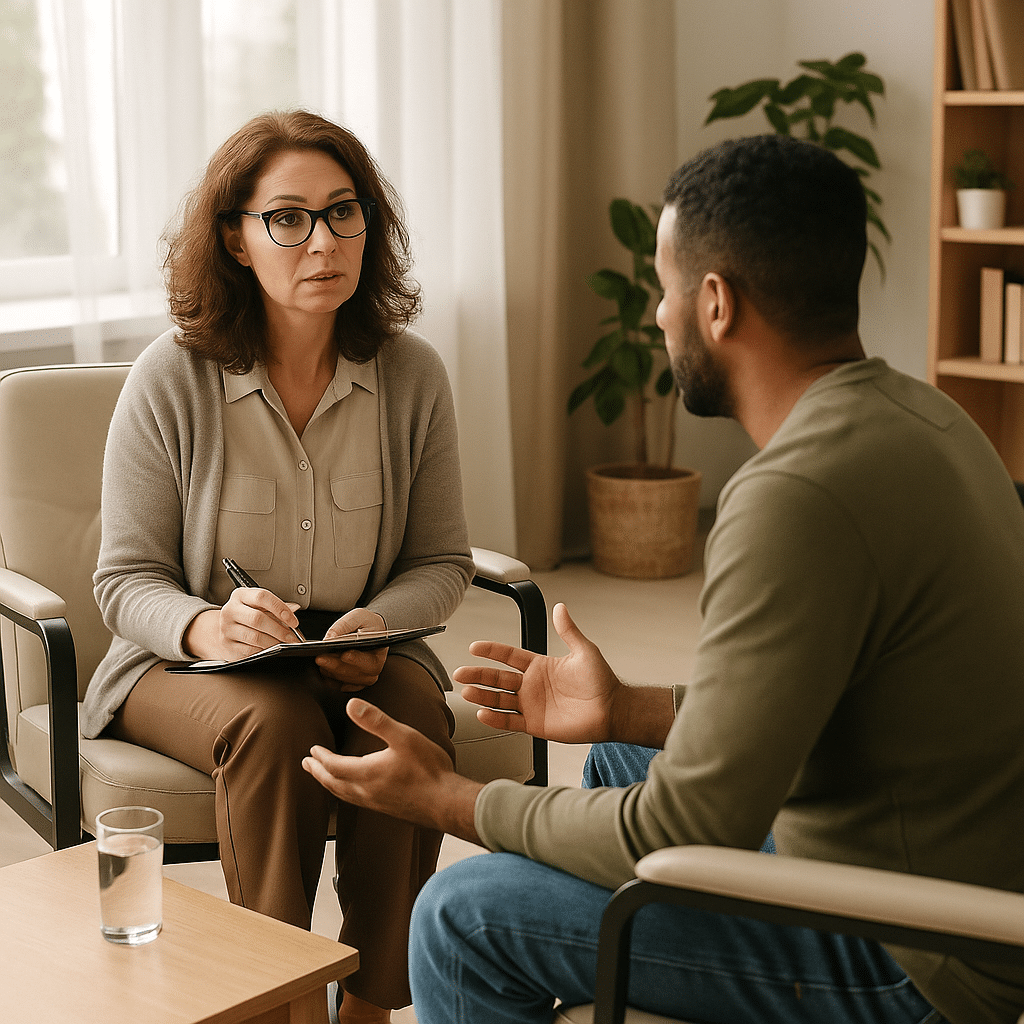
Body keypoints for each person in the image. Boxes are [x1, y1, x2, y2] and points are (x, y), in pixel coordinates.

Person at [302, 134, 1024, 1024]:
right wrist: (625, 710)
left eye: (664, 287)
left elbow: (683, 830)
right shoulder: (930, 417)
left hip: (913, 953)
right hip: (940, 863)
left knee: (461, 914)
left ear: (715, 303)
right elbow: (836, 700)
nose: (656, 315)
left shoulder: (794, 495)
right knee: (615, 757)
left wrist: (452, 800)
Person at [82, 109, 474, 1024]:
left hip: (356, 648)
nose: (323, 241)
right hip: (183, 665)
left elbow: (442, 561)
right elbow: (121, 580)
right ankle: (277, 1004)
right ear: (236, 238)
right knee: (273, 716)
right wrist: (206, 625)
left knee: (408, 710)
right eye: (287, 218)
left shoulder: (413, 377)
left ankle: (374, 1003)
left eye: (343, 213)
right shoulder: (169, 379)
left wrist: (377, 622)